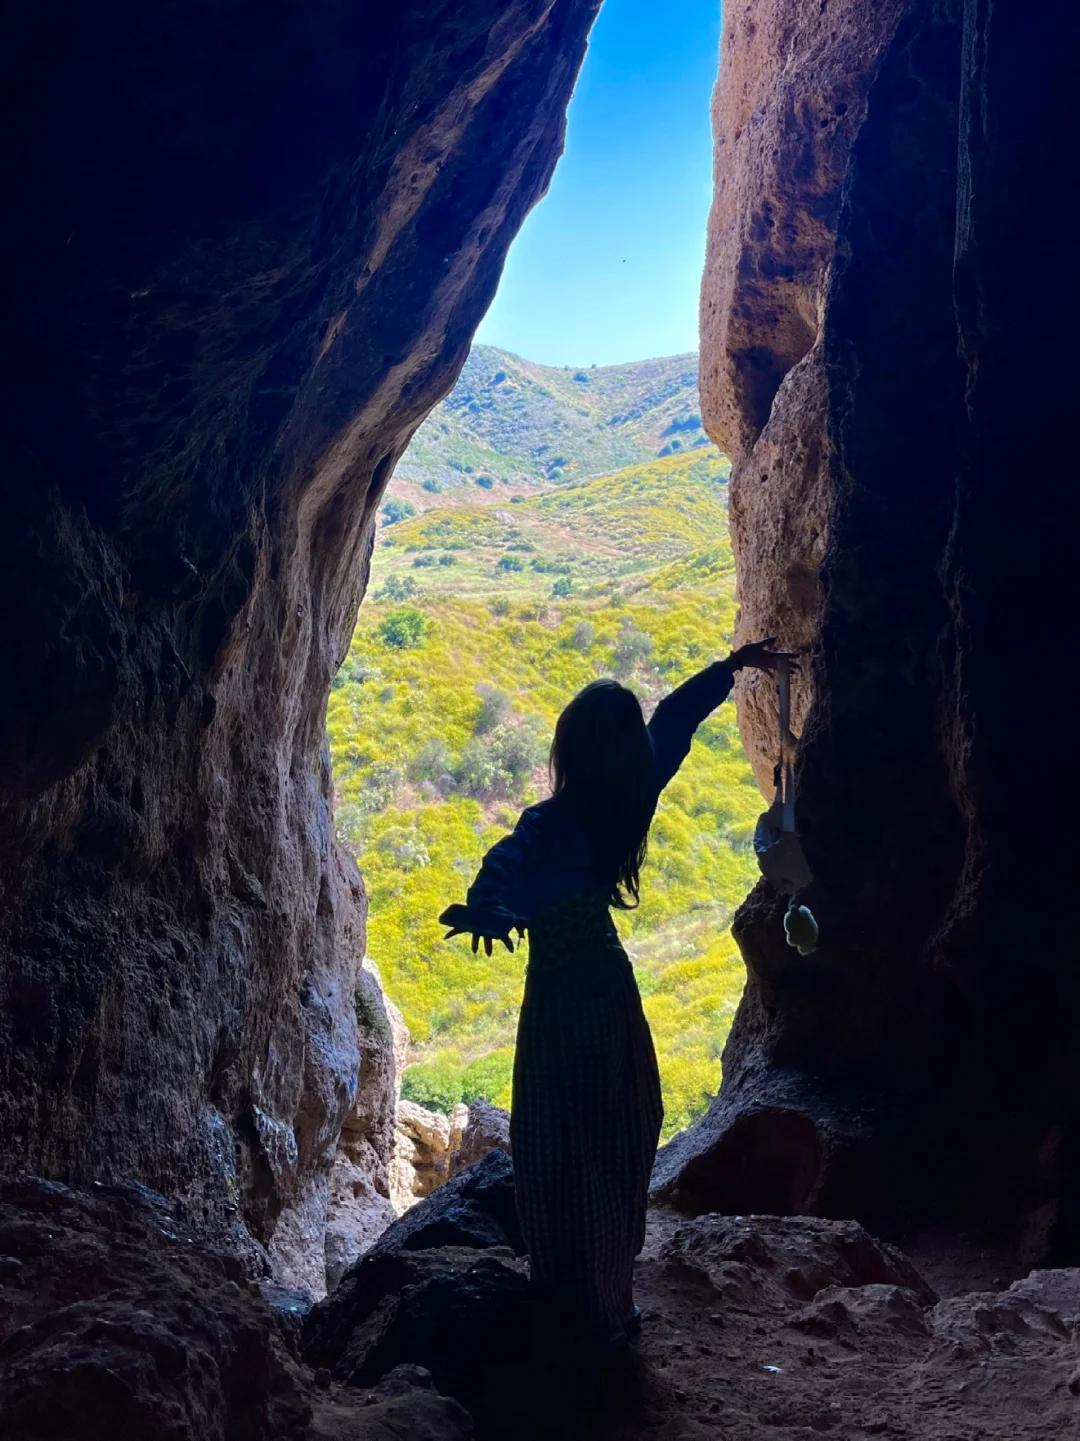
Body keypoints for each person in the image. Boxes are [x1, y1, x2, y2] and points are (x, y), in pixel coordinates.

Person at [438, 638, 795, 1347]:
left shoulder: (550, 823)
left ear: (569, 751)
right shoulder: (624, 803)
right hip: (607, 987)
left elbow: (502, 865)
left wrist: (491, 908)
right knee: (618, 1128)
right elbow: (672, 723)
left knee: (556, 1140)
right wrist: (730, 669)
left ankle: (571, 1293)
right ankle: (607, 1297)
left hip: (557, 1003)